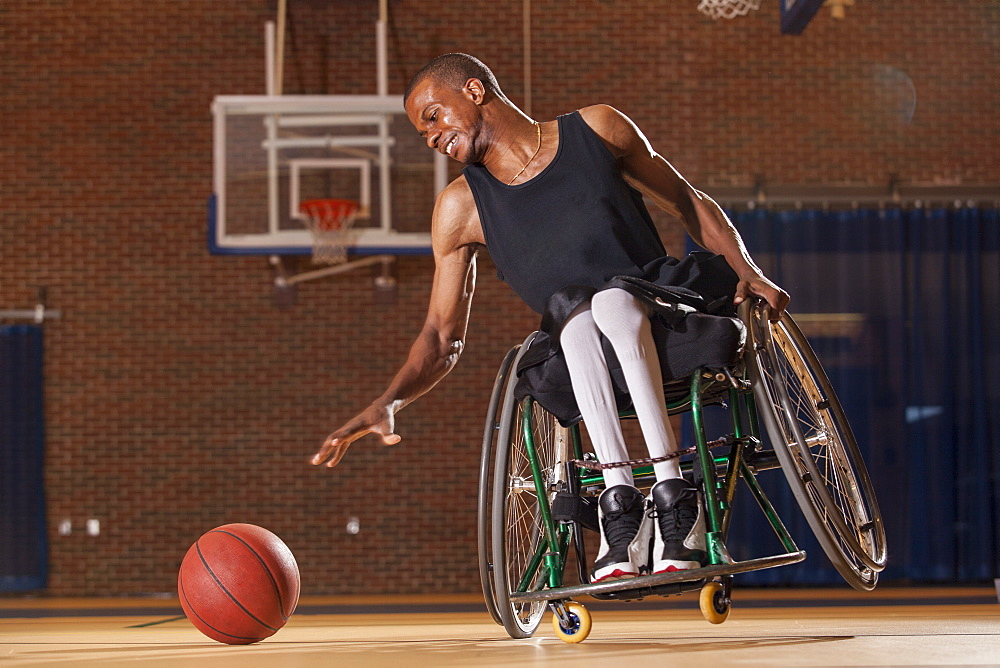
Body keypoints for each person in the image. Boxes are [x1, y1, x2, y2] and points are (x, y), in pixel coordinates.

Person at [311, 53, 789, 583]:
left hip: (666, 322)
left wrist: (748, 270)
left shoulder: (597, 129)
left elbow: (688, 202)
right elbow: (442, 336)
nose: (429, 137)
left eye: (432, 116)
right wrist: (388, 400)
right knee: (578, 315)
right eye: (422, 130)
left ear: (473, 91)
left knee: (609, 301)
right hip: (580, 359)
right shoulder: (460, 208)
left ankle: (676, 499)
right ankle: (620, 507)